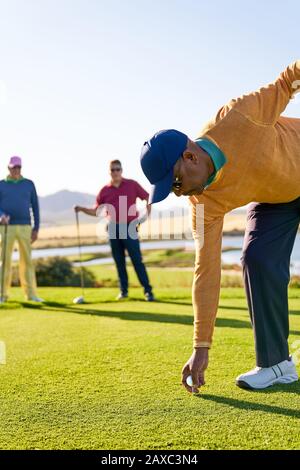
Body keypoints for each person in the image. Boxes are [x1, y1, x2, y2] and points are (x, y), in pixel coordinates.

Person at [140, 60, 300, 392]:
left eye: (178, 184)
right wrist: (201, 347)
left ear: (190, 157)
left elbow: (287, 80)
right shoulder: (201, 203)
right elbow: (206, 270)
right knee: (257, 259)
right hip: (277, 198)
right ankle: (276, 363)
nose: (180, 193)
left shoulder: (240, 116)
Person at [75, 159, 155, 301]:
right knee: (119, 262)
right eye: (113, 170)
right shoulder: (105, 190)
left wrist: (144, 217)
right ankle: (124, 292)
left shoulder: (132, 184)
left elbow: (148, 197)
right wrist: (81, 209)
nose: (115, 172)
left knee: (137, 260)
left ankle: (148, 291)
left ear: (122, 170)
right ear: (109, 172)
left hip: (130, 227)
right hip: (113, 227)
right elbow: (96, 211)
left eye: (118, 169)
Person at [0, 156, 43, 303]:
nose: (16, 170)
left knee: (27, 261)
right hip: (6, 227)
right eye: (14, 167)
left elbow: (35, 207)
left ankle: (31, 294)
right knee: (5, 261)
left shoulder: (29, 184)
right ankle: (2, 295)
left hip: (25, 227)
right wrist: (1, 215)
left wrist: (36, 228)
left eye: (18, 167)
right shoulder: (1, 184)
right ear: (8, 168)